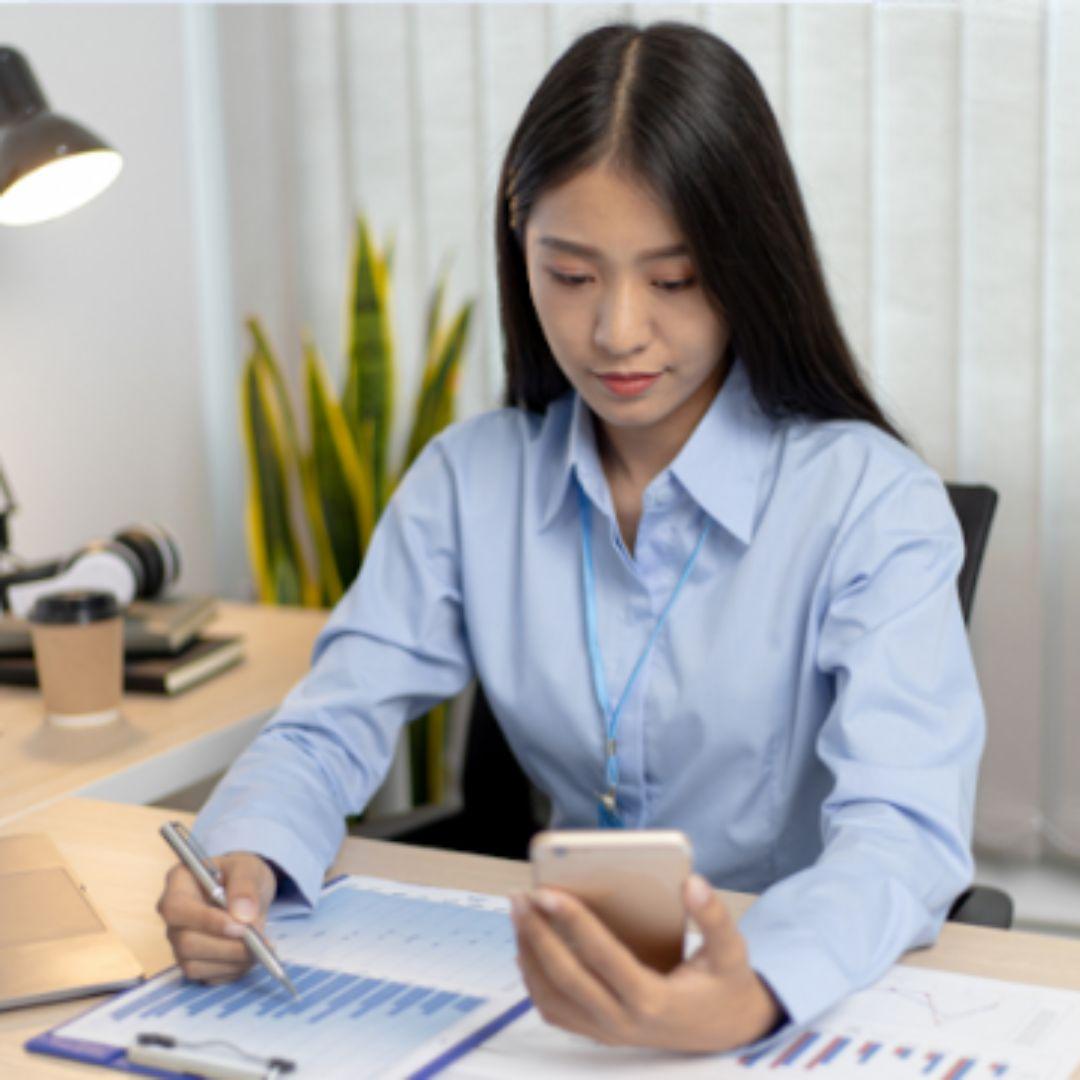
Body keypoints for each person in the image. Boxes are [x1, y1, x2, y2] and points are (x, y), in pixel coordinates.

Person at [157, 21, 985, 1054]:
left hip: (788, 1006)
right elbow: (327, 732)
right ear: (522, 252)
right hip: (553, 1012)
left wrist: (753, 988)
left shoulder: (870, 503)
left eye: (674, 279)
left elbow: (901, 834)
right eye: (572, 272)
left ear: (750, 266)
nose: (617, 330)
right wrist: (244, 858)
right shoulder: (469, 484)